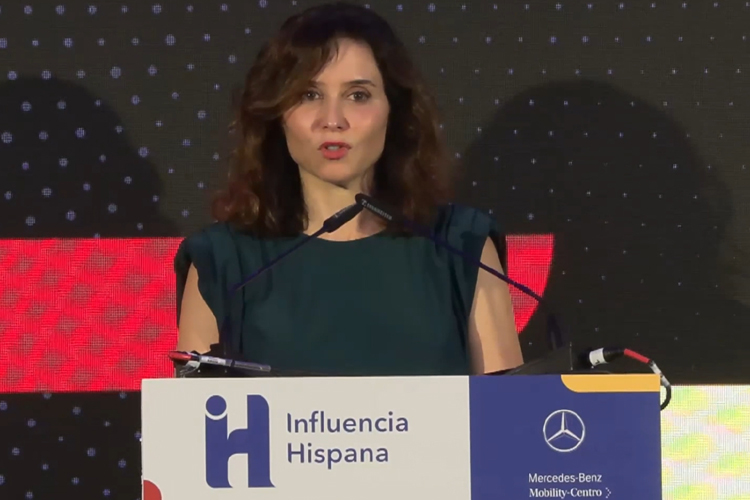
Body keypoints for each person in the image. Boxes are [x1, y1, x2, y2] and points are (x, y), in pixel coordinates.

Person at [174, 1, 523, 376]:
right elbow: (193, 412)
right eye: (309, 95)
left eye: (358, 95)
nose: (333, 120)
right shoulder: (223, 263)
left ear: (395, 110)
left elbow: (509, 409)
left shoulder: (461, 245)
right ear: (276, 114)